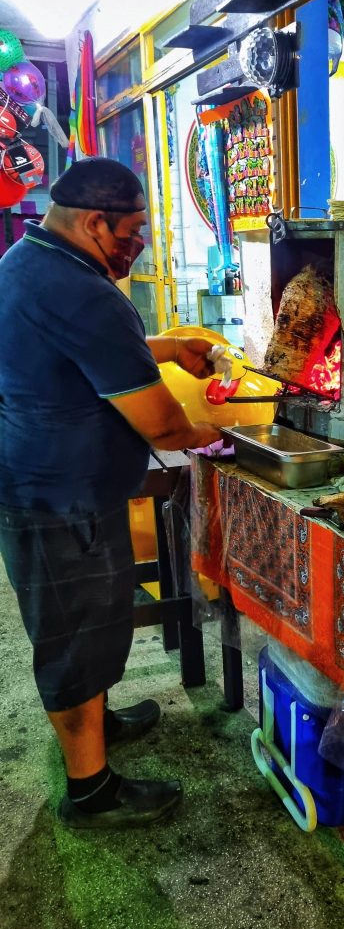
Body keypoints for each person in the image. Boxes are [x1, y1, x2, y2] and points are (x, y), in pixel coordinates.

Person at [0, 157, 222, 830]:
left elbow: (82, 350)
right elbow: (163, 423)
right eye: (130, 232)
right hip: (63, 498)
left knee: (88, 627)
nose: (136, 246)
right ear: (92, 221)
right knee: (73, 636)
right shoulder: (83, 291)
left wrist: (165, 346)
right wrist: (227, 435)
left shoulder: (27, 260)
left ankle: (99, 724)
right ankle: (90, 789)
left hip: (40, 480)